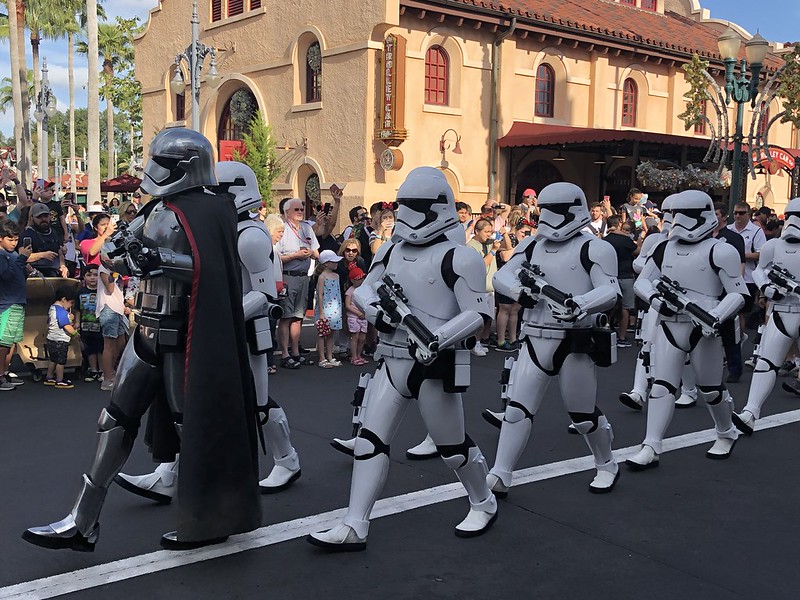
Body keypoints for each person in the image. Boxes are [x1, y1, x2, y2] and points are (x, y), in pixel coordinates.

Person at [23, 128, 261, 552]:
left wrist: (161, 258)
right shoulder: (157, 208)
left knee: (195, 425)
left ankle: (211, 517)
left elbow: (213, 268)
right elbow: (113, 253)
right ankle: (82, 520)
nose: (156, 171)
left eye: (165, 164)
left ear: (187, 167)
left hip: (187, 333)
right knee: (114, 419)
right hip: (147, 326)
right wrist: (125, 252)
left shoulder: (213, 210)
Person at [308, 167, 498, 551]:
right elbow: (365, 291)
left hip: (434, 363)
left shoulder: (459, 257)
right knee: (370, 440)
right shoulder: (391, 250)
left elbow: (479, 314)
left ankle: (483, 500)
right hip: (392, 358)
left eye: (417, 205)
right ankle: (355, 523)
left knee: (451, 448)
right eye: (404, 204)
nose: (408, 213)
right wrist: (379, 313)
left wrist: (437, 338)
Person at [114, 161, 302, 501]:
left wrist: (222, 317)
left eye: (211, 191)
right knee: (190, 403)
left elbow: (264, 294)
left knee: (255, 403)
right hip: (208, 325)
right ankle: (168, 473)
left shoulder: (250, 235)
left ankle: (287, 460)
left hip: (244, 328)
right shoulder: (218, 230)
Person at [488, 182, 621, 496]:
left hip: (577, 338)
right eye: (546, 210)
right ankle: (500, 472)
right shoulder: (533, 245)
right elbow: (502, 275)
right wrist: (521, 292)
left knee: (582, 414)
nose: (550, 217)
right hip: (536, 335)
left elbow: (610, 290)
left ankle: (606, 463)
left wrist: (580, 304)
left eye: (557, 210)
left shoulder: (594, 248)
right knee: (517, 409)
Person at [626, 190, 747, 470]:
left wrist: (715, 315)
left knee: (710, 389)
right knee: (662, 385)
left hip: (704, 326)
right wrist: (656, 299)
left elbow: (738, 293)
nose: (679, 221)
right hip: (670, 324)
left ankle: (726, 431)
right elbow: (642, 281)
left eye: (687, 215)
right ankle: (651, 444)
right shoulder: (664, 248)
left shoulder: (721, 250)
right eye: (675, 214)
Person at [733, 197, 800, 435]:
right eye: (791, 217)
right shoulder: (773, 246)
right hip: (781, 310)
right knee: (765, 363)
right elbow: (761, 270)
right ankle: (750, 411)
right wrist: (767, 288)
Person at [275, 197, 320, 369]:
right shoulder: (282, 229)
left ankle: (295, 352)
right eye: (297, 209)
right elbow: (276, 257)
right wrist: (295, 255)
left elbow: (316, 252)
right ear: (287, 212)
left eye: (301, 209)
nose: (300, 212)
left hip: (304, 277)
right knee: (286, 316)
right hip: (288, 277)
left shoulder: (307, 228)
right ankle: (285, 354)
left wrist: (310, 253)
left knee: (298, 317)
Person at [0, 220, 34, 391]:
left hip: (18, 301)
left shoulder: (12, 255)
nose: (13, 243)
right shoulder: (1, 255)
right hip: (7, 303)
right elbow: (5, 276)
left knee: (11, 342)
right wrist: (21, 259)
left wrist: (25, 268)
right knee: (3, 342)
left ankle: (5, 372)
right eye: (10, 239)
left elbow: (16, 275)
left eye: (15, 239)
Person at [494, 217, 532, 352]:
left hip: (519, 279)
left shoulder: (529, 243)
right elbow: (505, 257)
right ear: (516, 230)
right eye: (522, 232)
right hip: (505, 278)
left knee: (515, 309)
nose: (524, 235)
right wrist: (521, 246)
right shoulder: (510, 239)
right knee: (505, 308)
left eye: (527, 233)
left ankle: (513, 339)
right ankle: (501, 341)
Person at [603, 215, 641, 347]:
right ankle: (622, 337)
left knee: (607, 306)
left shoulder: (606, 240)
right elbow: (639, 251)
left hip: (610, 276)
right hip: (626, 276)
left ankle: (605, 333)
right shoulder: (626, 240)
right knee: (626, 307)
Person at [467, 218, 501, 356]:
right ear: (477, 231)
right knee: (479, 319)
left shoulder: (490, 243)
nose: (489, 235)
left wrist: (503, 234)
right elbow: (481, 265)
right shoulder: (470, 246)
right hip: (478, 289)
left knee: (487, 318)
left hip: (489, 288)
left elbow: (508, 247)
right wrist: (493, 251)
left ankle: (479, 341)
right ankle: (473, 343)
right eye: (486, 232)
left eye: (491, 232)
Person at [96, 264, 128, 391]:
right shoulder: (104, 268)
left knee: (120, 342)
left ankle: (110, 371)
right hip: (108, 308)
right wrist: (113, 272)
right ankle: (106, 380)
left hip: (118, 308)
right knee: (109, 345)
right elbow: (109, 288)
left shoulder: (118, 268)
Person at [44, 286, 79, 389]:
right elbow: (66, 326)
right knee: (61, 361)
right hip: (60, 340)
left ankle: (49, 377)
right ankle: (60, 380)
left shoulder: (52, 308)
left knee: (53, 359)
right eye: (71, 303)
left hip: (51, 338)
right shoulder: (61, 311)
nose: (71, 306)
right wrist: (75, 333)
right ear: (64, 299)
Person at [21, 203, 67, 277]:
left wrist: (63, 266)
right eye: (39, 217)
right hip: (34, 273)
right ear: (32, 218)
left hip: (54, 271)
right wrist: (42, 255)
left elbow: (60, 252)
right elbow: (22, 256)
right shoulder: (27, 233)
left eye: (46, 216)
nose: (43, 219)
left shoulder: (53, 232)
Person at [315, 249, 344, 368]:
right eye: (333, 261)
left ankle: (330, 356)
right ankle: (322, 358)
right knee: (322, 333)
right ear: (326, 263)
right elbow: (320, 295)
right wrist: (321, 313)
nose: (336, 263)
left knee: (332, 333)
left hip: (335, 309)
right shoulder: (322, 277)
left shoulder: (336, 276)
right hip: (325, 309)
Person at [76, 264, 103, 382]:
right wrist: (77, 322)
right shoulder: (80, 292)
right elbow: (77, 309)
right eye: (89, 275)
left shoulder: (102, 291)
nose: (92, 277)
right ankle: (93, 370)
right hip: (86, 324)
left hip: (100, 324)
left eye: (96, 275)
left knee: (101, 348)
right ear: (84, 277)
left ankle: (102, 370)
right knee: (90, 349)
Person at [345, 267, 369, 365]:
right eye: (359, 279)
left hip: (363, 316)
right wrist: (358, 313)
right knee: (355, 337)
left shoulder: (363, 290)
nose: (361, 281)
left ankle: (359, 355)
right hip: (353, 316)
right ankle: (354, 356)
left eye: (362, 278)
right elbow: (348, 305)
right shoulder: (350, 291)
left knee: (362, 338)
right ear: (352, 280)